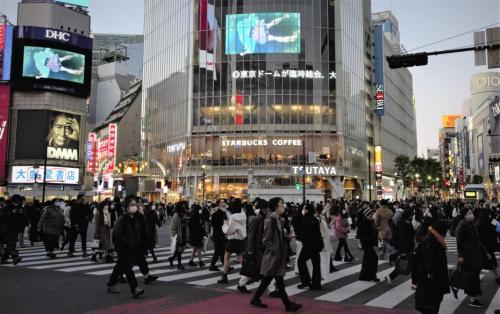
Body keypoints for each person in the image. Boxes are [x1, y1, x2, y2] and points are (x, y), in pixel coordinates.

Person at [250, 197, 302, 311]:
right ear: (275, 207)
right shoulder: (271, 219)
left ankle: (256, 298)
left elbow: (276, 237)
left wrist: (286, 237)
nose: (283, 206)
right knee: (277, 281)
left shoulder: (279, 219)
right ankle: (288, 305)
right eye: (281, 205)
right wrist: (275, 249)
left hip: (278, 256)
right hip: (274, 256)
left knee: (268, 281)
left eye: (283, 204)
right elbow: (266, 240)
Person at [106, 196, 146, 297]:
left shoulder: (136, 218)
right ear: (127, 207)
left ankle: (111, 284)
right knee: (128, 268)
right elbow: (117, 234)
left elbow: (139, 232)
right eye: (132, 205)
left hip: (132, 247)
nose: (134, 207)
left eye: (135, 204)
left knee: (119, 266)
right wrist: (127, 243)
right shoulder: (122, 219)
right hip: (123, 248)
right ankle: (134, 288)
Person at [414, 220, 450, 314]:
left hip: (431, 281)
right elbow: (429, 263)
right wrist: (433, 275)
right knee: (430, 306)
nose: (446, 233)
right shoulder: (432, 241)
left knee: (430, 305)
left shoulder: (434, 239)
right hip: (431, 282)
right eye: (445, 231)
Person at [455, 208, 488, 308]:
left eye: (471, 213)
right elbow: (459, 242)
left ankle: (468, 294)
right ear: (465, 215)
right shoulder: (462, 226)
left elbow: (477, 240)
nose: (472, 214)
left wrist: (485, 251)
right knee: (472, 278)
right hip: (468, 256)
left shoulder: (471, 224)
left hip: (475, 255)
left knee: (473, 276)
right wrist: (460, 255)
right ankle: (472, 300)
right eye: (469, 213)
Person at [218, 199, 247, 284]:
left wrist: (225, 224)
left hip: (232, 240)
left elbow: (228, 231)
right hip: (241, 239)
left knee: (226, 257)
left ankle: (224, 276)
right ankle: (246, 275)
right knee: (240, 257)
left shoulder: (232, 218)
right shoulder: (243, 215)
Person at [385, 208, 415, 286]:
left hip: (409, 247)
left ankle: (414, 283)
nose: (412, 216)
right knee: (407, 266)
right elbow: (403, 239)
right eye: (411, 214)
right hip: (406, 248)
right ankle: (390, 276)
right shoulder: (402, 224)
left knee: (412, 265)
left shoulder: (406, 222)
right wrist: (404, 251)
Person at [297, 203, 323, 290]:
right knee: (316, 264)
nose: (304, 210)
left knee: (301, 261)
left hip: (308, 245)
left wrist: (302, 239)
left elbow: (305, 232)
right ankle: (316, 284)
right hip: (316, 244)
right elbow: (318, 233)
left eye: (305, 209)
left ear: (307, 210)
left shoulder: (305, 219)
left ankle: (306, 281)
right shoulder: (315, 219)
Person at [357, 206, 380, 282]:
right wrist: (369, 242)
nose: (372, 214)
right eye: (370, 213)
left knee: (367, 259)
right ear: (367, 214)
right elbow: (361, 234)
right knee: (373, 259)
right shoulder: (365, 222)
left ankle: (364, 275)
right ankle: (372, 275)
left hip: (369, 243)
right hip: (367, 244)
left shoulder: (370, 221)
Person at [0, 195, 25, 265]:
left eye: (19, 201)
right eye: (17, 201)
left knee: (11, 244)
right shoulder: (7, 208)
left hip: (15, 229)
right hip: (7, 229)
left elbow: (24, 218)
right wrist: (12, 213)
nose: (18, 203)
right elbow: (2, 218)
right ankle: (15, 257)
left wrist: (21, 213)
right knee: (11, 243)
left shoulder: (20, 208)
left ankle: (4, 259)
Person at [168, 202, 188, 270]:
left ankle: (171, 258)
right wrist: (174, 236)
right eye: (182, 205)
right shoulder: (176, 215)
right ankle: (179, 264)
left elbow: (186, 224)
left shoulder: (183, 214)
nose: (184, 206)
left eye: (184, 205)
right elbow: (173, 227)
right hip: (178, 235)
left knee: (181, 249)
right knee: (179, 250)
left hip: (183, 234)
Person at [209, 200, 227, 271]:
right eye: (223, 206)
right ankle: (212, 265)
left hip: (219, 234)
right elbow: (213, 224)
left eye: (225, 206)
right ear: (219, 206)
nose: (224, 207)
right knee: (218, 250)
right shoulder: (217, 214)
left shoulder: (221, 213)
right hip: (218, 234)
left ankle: (225, 265)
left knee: (221, 250)